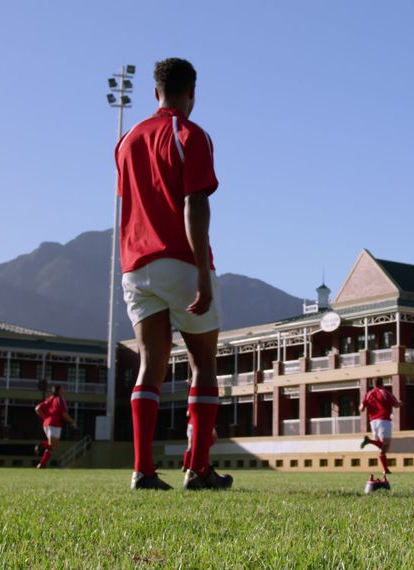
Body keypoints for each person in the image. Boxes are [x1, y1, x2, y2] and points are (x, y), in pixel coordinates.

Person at [116, 57, 231, 491]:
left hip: (135, 265)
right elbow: (195, 203)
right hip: (180, 260)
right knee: (203, 364)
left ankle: (142, 471)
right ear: (192, 93)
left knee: (150, 366)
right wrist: (202, 272)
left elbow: (130, 202)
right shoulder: (190, 135)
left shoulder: (127, 141)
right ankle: (198, 469)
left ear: (154, 92)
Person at [359, 378, 402, 474]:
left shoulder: (368, 394)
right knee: (385, 447)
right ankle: (369, 441)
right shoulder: (385, 393)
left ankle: (386, 470)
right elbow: (395, 405)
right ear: (382, 383)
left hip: (373, 422)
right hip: (384, 421)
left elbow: (361, 408)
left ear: (374, 384)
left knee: (381, 447)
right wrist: (401, 403)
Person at [35, 385, 75, 469]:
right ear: (59, 391)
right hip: (55, 424)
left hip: (46, 424)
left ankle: (41, 464)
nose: (64, 390)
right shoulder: (60, 399)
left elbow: (37, 408)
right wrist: (72, 422)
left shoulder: (49, 398)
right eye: (62, 389)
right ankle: (41, 445)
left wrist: (45, 418)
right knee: (53, 445)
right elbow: (64, 414)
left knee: (52, 446)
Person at [182, 407, 217, 472]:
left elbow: (188, 413)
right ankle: (200, 465)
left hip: (191, 424)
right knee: (207, 443)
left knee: (191, 446)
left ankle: (185, 466)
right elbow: (188, 413)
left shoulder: (192, 401)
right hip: (200, 423)